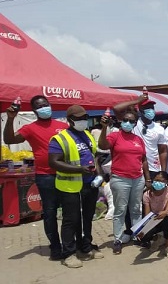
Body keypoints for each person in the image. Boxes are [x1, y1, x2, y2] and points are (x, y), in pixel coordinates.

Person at [3, 95, 68, 261]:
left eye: (45, 104)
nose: (44, 108)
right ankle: (55, 247)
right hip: (45, 176)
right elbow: (9, 139)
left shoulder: (63, 125)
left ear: (50, 105)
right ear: (34, 110)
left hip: (66, 175)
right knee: (49, 212)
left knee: (69, 212)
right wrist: (10, 119)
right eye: (39, 106)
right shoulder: (30, 128)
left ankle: (69, 244)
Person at [48, 105, 103, 268]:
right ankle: (69, 253)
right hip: (69, 186)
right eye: (78, 119)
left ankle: (85, 247)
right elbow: (53, 162)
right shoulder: (60, 138)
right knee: (71, 220)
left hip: (90, 185)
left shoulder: (87, 135)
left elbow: (94, 158)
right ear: (70, 120)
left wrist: (99, 174)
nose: (82, 121)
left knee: (87, 218)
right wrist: (79, 170)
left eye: (84, 118)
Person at [98, 110, 150, 255]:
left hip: (138, 179)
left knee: (135, 209)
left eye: (131, 121)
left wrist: (148, 179)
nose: (128, 123)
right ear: (121, 121)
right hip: (120, 179)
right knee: (120, 210)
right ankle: (118, 239)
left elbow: (143, 159)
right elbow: (103, 145)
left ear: (135, 124)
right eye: (126, 120)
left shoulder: (138, 140)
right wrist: (103, 128)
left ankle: (137, 236)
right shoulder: (115, 136)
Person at [113, 94, 168, 179]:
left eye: (152, 108)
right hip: (137, 169)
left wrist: (163, 172)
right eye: (147, 108)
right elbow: (116, 109)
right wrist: (137, 101)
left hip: (154, 169)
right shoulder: (133, 123)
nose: (150, 110)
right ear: (140, 110)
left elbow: (163, 151)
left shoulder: (160, 129)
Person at [139, 171, 168, 259]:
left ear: (166, 182)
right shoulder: (147, 194)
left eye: (162, 181)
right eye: (156, 180)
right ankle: (157, 238)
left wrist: (165, 212)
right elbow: (147, 215)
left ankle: (167, 246)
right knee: (142, 236)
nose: (158, 183)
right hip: (155, 219)